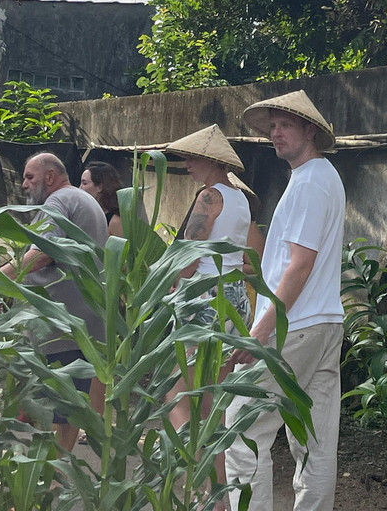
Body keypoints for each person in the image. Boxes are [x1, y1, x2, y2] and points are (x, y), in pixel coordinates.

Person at [224, 90, 345, 511]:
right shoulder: (323, 176)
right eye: (272, 126)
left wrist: (261, 331)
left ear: (310, 130)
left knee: (242, 427)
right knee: (315, 440)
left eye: (286, 125)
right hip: (324, 323)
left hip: (295, 325)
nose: (276, 133)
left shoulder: (310, 181)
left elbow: (299, 265)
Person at [163, 124, 255, 510]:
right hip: (233, 300)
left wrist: (167, 285)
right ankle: (219, 499)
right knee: (213, 405)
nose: (186, 163)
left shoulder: (209, 196)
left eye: (193, 157)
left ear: (212, 160)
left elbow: (190, 255)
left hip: (202, 299)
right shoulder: (241, 199)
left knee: (177, 397)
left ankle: (201, 489)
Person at [0, 151, 109, 451]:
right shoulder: (84, 200)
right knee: (69, 404)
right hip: (82, 320)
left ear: (49, 177)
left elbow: (41, 254)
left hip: (61, 321)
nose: (24, 184)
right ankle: (58, 467)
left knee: (58, 405)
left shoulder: (58, 202)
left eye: (29, 177)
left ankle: (51, 469)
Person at [80, 160, 125, 237]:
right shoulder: (87, 214)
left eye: (84, 183)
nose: (80, 188)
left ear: (100, 187)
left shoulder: (116, 221)